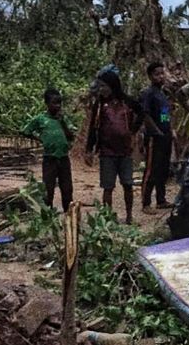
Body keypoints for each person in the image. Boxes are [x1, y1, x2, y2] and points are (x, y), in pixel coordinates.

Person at [85, 66, 148, 225]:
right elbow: (93, 127)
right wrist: (89, 149)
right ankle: (107, 218)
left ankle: (129, 216)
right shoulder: (99, 105)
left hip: (125, 151)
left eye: (104, 86)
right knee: (108, 186)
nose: (101, 89)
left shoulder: (126, 101)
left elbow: (142, 112)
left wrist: (133, 130)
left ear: (112, 86)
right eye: (100, 86)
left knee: (128, 184)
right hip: (107, 152)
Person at [22, 88, 76, 212]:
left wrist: (62, 123)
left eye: (59, 103)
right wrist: (41, 139)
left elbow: (71, 136)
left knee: (67, 188)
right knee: (48, 189)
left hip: (63, 158)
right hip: (49, 158)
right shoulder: (41, 119)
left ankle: (69, 215)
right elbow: (25, 130)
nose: (57, 106)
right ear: (47, 104)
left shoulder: (63, 119)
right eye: (54, 103)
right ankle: (48, 215)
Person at [140, 62, 174, 215]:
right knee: (151, 170)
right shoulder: (148, 94)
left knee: (163, 169)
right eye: (157, 74)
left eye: (162, 73)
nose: (160, 76)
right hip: (155, 137)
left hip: (166, 136)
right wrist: (156, 131)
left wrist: (170, 130)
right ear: (150, 76)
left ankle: (161, 200)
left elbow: (165, 115)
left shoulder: (163, 94)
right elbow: (145, 115)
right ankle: (146, 202)